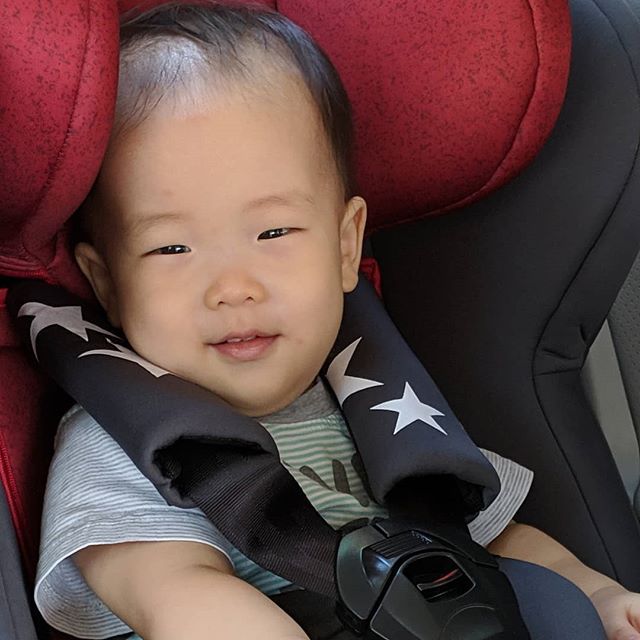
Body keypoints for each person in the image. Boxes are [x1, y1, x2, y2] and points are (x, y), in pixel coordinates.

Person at [32, 3, 640, 640]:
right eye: (171, 248)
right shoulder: (124, 446)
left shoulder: (381, 407)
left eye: (273, 232)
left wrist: (596, 593)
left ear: (346, 246)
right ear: (107, 282)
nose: (233, 288)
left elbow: (491, 538)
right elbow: (174, 593)